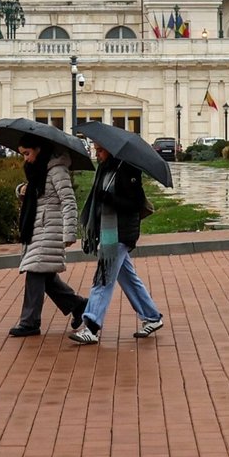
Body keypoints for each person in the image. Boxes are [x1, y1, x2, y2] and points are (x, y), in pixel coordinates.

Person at [71, 143, 164, 344]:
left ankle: (92, 326)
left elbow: (136, 203)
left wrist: (111, 199)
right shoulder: (106, 170)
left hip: (120, 233)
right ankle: (152, 316)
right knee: (128, 277)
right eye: (96, 149)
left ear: (111, 150)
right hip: (109, 232)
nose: (97, 154)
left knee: (103, 278)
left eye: (101, 150)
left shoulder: (128, 170)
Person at [8, 137, 86, 337]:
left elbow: (68, 201)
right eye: (23, 154)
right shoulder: (39, 169)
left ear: (39, 149)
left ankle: (29, 322)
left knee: (35, 271)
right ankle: (78, 306)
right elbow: (37, 194)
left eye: (27, 153)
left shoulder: (57, 170)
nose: (26, 158)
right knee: (46, 275)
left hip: (50, 228)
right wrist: (22, 191)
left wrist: (70, 232)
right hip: (38, 228)